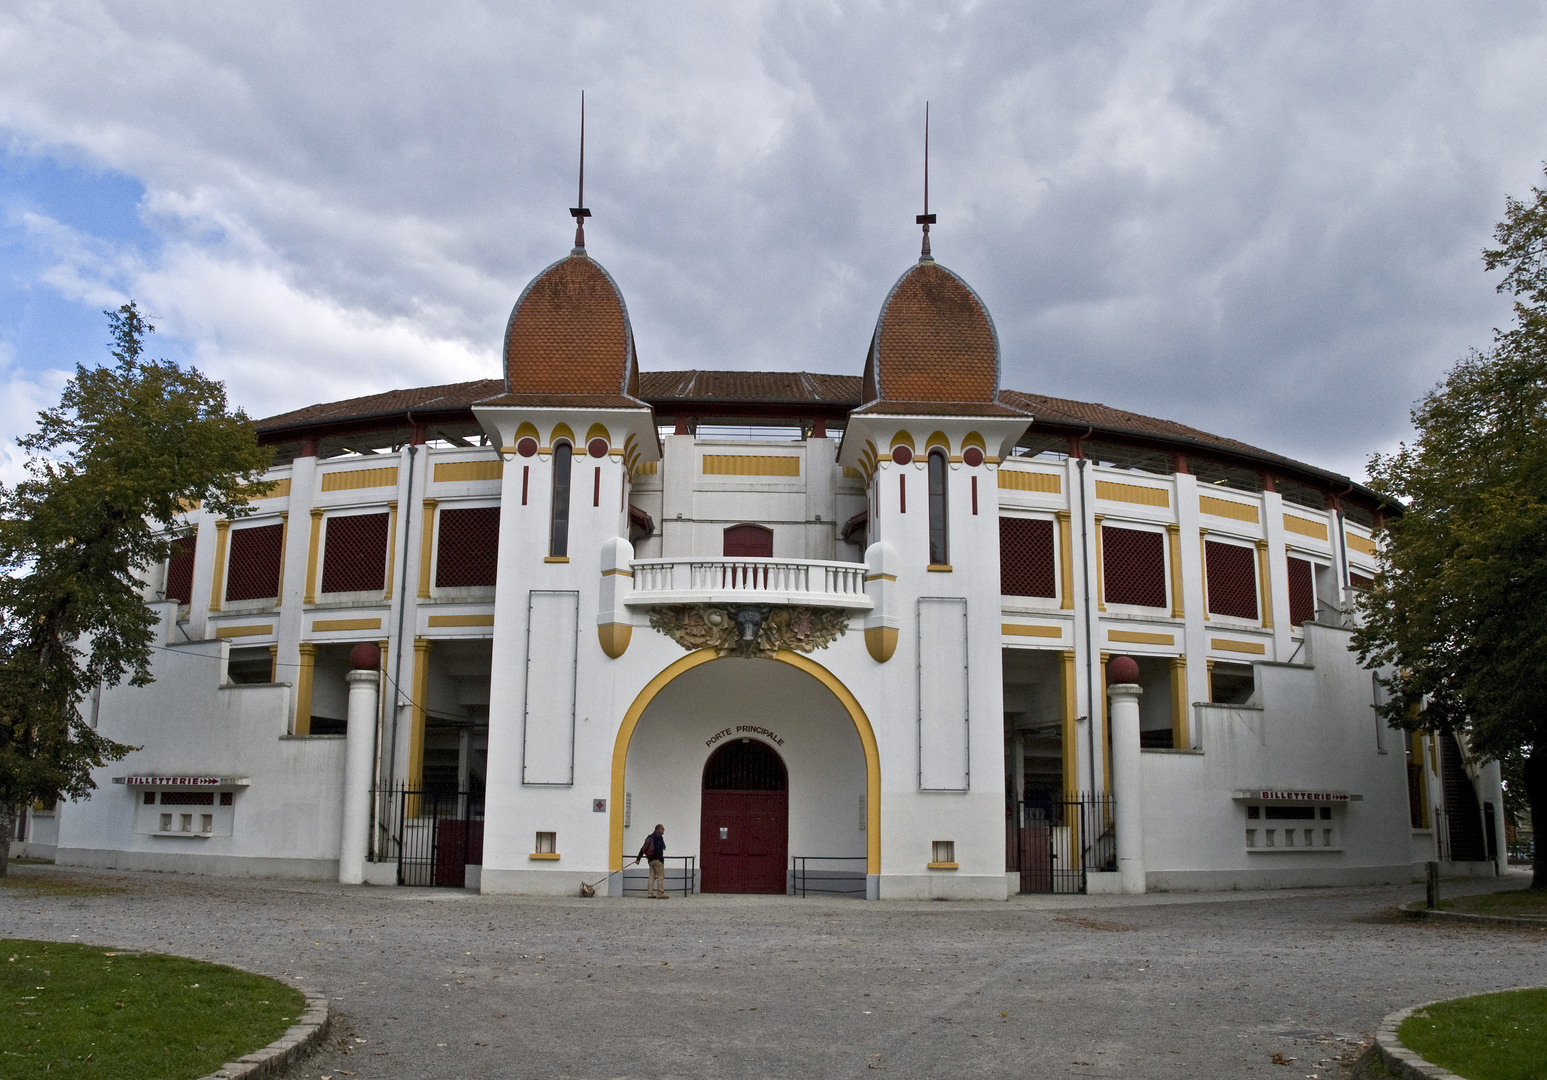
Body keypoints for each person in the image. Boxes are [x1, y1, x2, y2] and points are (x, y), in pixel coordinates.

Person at [635, 824, 668, 899]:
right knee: (660, 877)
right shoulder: (659, 837)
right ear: (659, 829)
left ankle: (650, 893)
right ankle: (660, 894)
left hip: (650, 860)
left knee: (651, 877)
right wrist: (660, 859)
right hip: (658, 860)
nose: (663, 831)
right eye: (663, 829)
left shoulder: (649, 837)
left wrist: (638, 859)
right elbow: (661, 848)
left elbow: (642, 849)